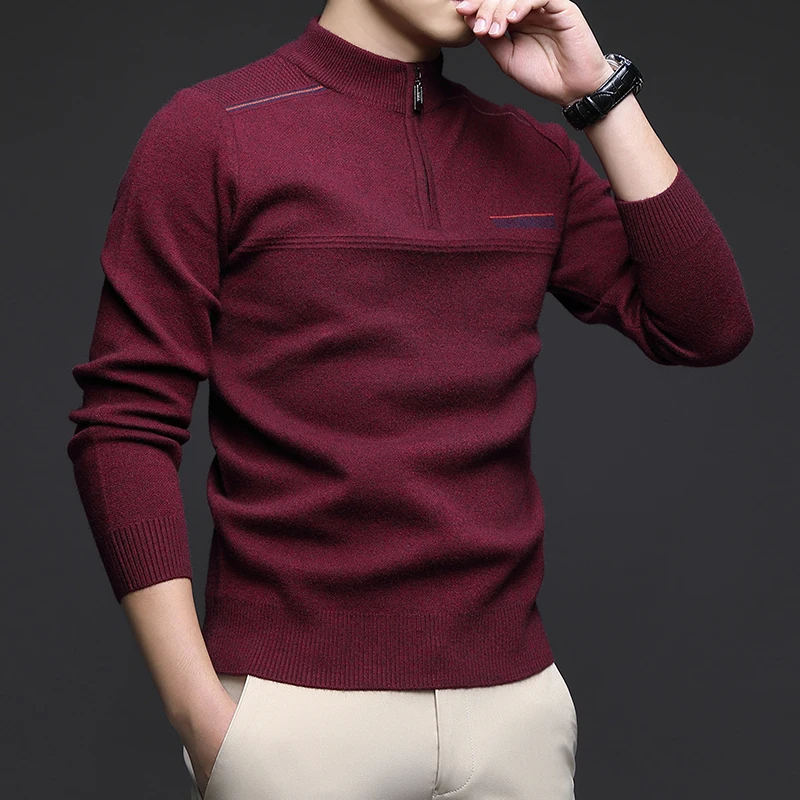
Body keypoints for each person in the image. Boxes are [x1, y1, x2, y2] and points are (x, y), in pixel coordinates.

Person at [66, 1, 754, 798]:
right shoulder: (215, 131)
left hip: (515, 714)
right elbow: (124, 422)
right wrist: (199, 711)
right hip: (295, 717)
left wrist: (598, 91)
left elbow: (706, 326)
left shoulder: (530, 151)